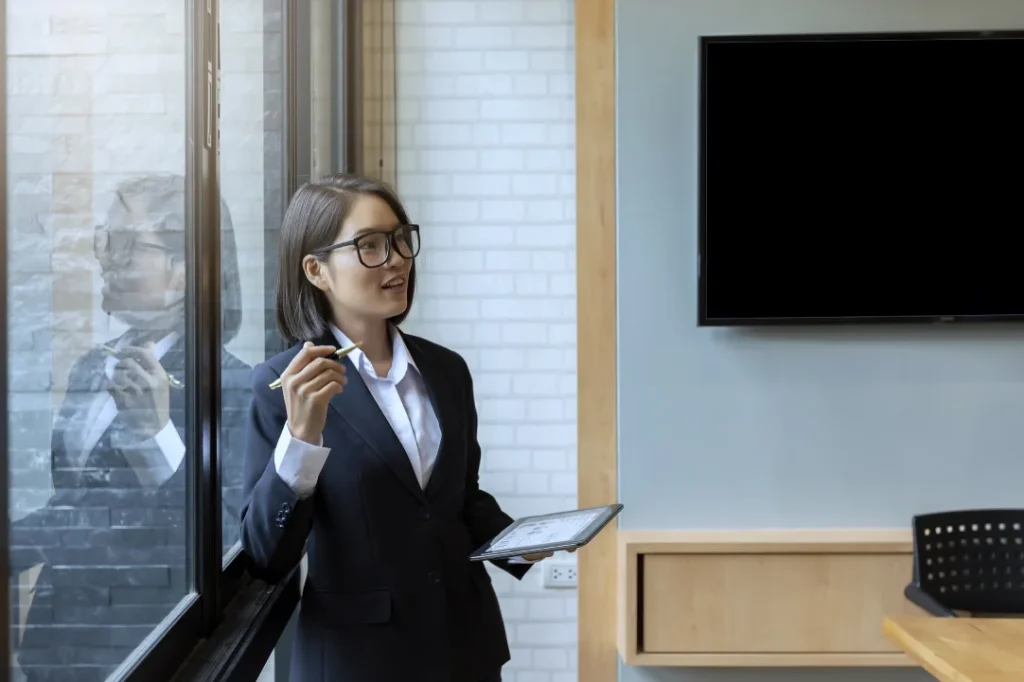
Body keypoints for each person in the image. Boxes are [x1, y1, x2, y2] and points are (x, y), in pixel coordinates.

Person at [239, 173, 556, 682]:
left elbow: (458, 499)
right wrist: (301, 438)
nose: (396, 259)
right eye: (369, 245)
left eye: (399, 239)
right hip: (358, 660)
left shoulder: (446, 369)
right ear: (316, 270)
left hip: (463, 646)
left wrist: (520, 542)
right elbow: (265, 555)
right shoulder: (283, 384)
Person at [10, 174, 252, 682]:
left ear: (186, 270)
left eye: (124, 245)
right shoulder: (90, 367)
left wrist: (155, 435)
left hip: (154, 648)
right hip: (56, 649)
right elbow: (77, 505)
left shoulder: (234, 386)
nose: (105, 260)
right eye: (105, 241)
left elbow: (229, 542)